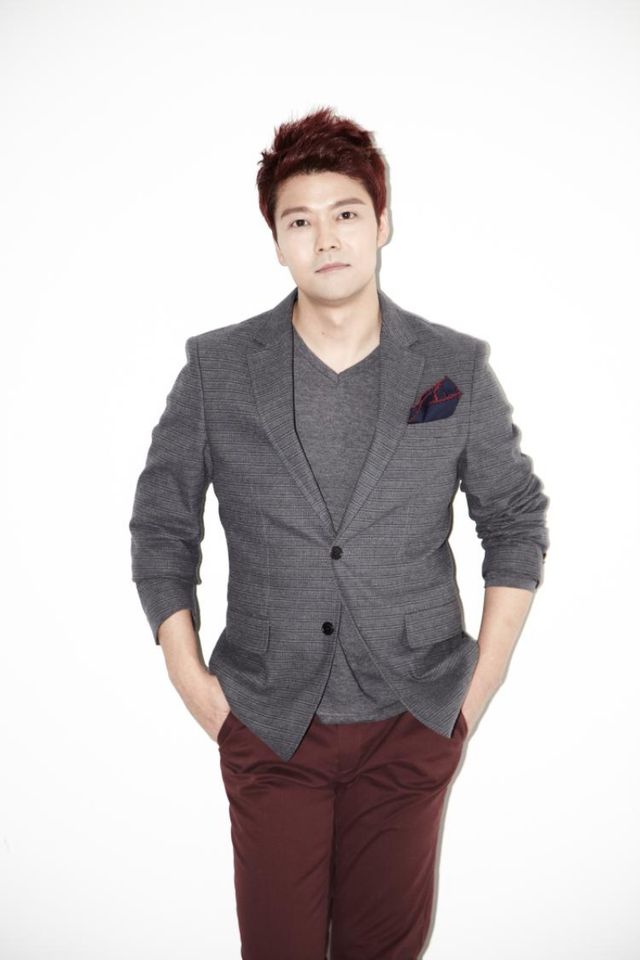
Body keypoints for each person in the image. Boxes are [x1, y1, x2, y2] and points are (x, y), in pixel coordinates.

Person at [129, 105, 550, 960]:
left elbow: (514, 520)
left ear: (382, 223)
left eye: (346, 213)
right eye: (300, 221)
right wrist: (192, 682)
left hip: (413, 718)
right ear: (277, 242)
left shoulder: (454, 368)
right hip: (268, 720)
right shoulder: (216, 369)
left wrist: (477, 690)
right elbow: (163, 526)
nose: (326, 238)